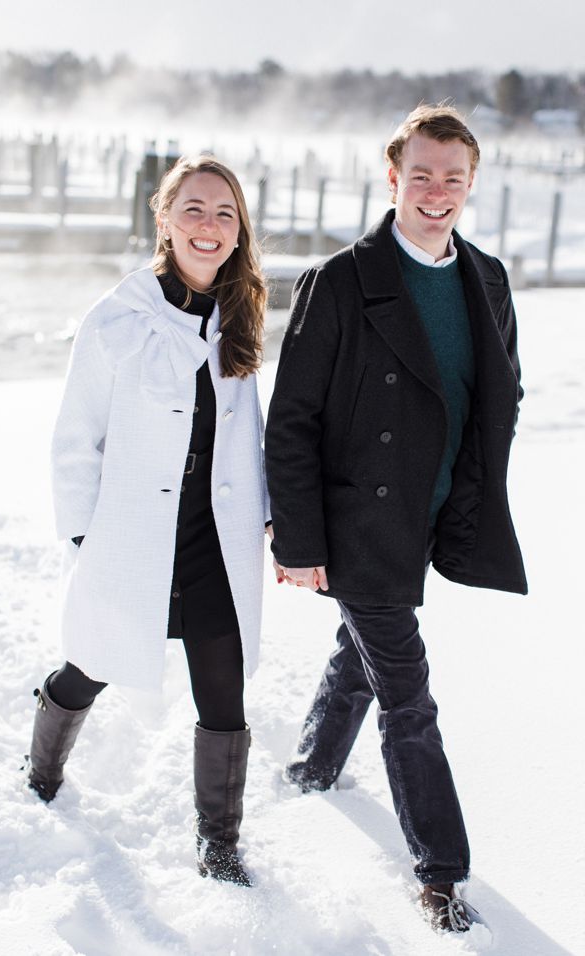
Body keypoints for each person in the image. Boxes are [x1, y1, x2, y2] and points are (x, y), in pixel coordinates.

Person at [265, 104, 526, 933]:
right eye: (421, 175)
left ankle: (312, 767)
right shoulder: (342, 280)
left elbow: (503, 391)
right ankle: (440, 874)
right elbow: (292, 416)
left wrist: (474, 492)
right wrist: (298, 536)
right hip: (360, 520)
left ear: (471, 182)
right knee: (408, 694)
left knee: (365, 648)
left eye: (453, 177)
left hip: (436, 510)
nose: (436, 191)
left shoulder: (487, 278)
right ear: (393, 178)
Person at [29, 155, 272, 886]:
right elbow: (76, 440)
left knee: (223, 687)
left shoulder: (238, 316)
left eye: (225, 214)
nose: (209, 226)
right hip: (132, 535)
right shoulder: (116, 320)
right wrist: (86, 538)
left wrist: (265, 516)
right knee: (93, 664)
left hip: (214, 539)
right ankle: (41, 769)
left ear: (239, 232)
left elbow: (248, 436)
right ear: (164, 220)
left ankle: (219, 842)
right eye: (193, 209)